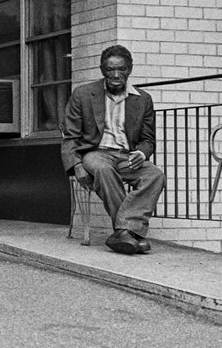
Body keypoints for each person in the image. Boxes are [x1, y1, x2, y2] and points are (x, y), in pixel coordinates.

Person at [62, 45, 165, 256]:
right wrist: (77, 166)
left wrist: (143, 154)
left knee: (155, 175)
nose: (116, 75)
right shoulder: (83, 94)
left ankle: (124, 233)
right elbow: (70, 135)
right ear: (102, 70)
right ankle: (131, 232)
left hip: (127, 156)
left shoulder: (143, 99)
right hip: (95, 153)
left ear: (130, 69)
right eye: (110, 70)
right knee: (103, 169)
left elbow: (148, 139)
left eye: (122, 69)